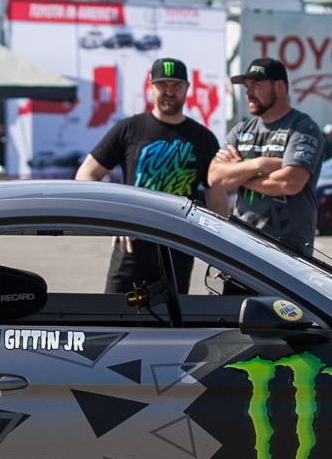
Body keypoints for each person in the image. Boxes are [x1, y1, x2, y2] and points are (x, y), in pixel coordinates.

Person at [76, 56, 227, 296]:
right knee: (113, 317)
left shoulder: (203, 138)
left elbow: (217, 201)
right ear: (150, 87)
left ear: (187, 88)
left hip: (179, 246)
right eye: (162, 84)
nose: (169, 92)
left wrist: (220, 254)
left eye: (176, 85)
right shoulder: (128, 128)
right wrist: (114, 217)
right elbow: (86, 174)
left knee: (169, 327)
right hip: (132, 245)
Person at [209, 57, 325, 255]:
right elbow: (215, 177)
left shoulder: (303, 127)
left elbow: (289, 183)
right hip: (242, 242)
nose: (248, 93)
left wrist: (239, 176)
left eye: (256, 85)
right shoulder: (241, 130)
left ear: (279, 87)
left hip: (288, 248)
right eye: (246, 86)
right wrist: (260, 164)